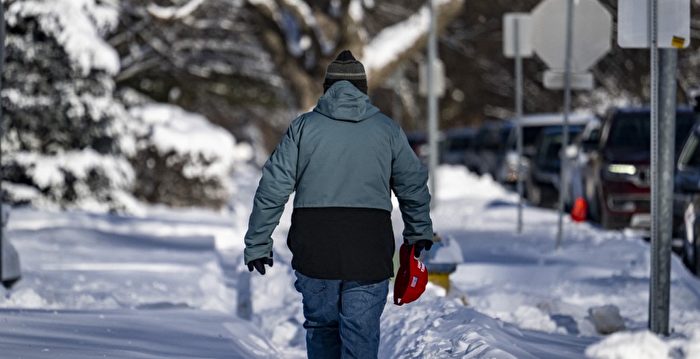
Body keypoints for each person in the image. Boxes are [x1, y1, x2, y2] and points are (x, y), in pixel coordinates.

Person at [243, 50, 434, 359]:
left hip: (316, 246)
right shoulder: (387, 130)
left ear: (327, 88)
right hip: (369, 247)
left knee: (321, 327)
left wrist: (257, 243)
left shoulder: (303, 128)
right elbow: (412, 184)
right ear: (363, 89)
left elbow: (272, 187)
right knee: (360, 330)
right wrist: (418, 230)